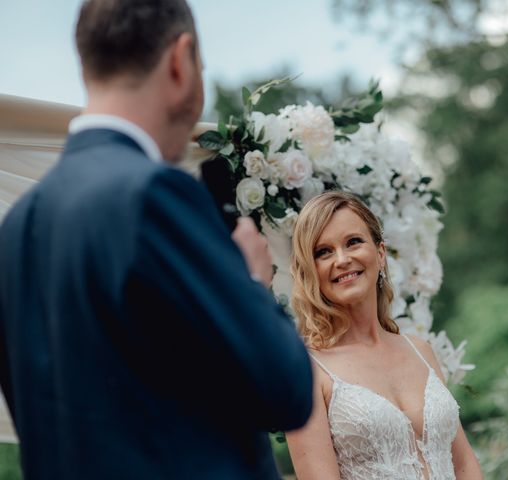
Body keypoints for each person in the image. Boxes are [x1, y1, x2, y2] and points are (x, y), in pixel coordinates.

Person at [0, 0, 312, 478]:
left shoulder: (16, 229)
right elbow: (286, 391)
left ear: (87, 65)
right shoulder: (156, 194)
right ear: (179, 60)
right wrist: (249, 280)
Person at [286, 191, 483, 479]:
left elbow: (464, 464)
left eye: (353, 242)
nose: (342, 259)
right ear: (310, 270)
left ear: (380, 254)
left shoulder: (421, 351)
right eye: (323, 252)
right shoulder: (306, 372)